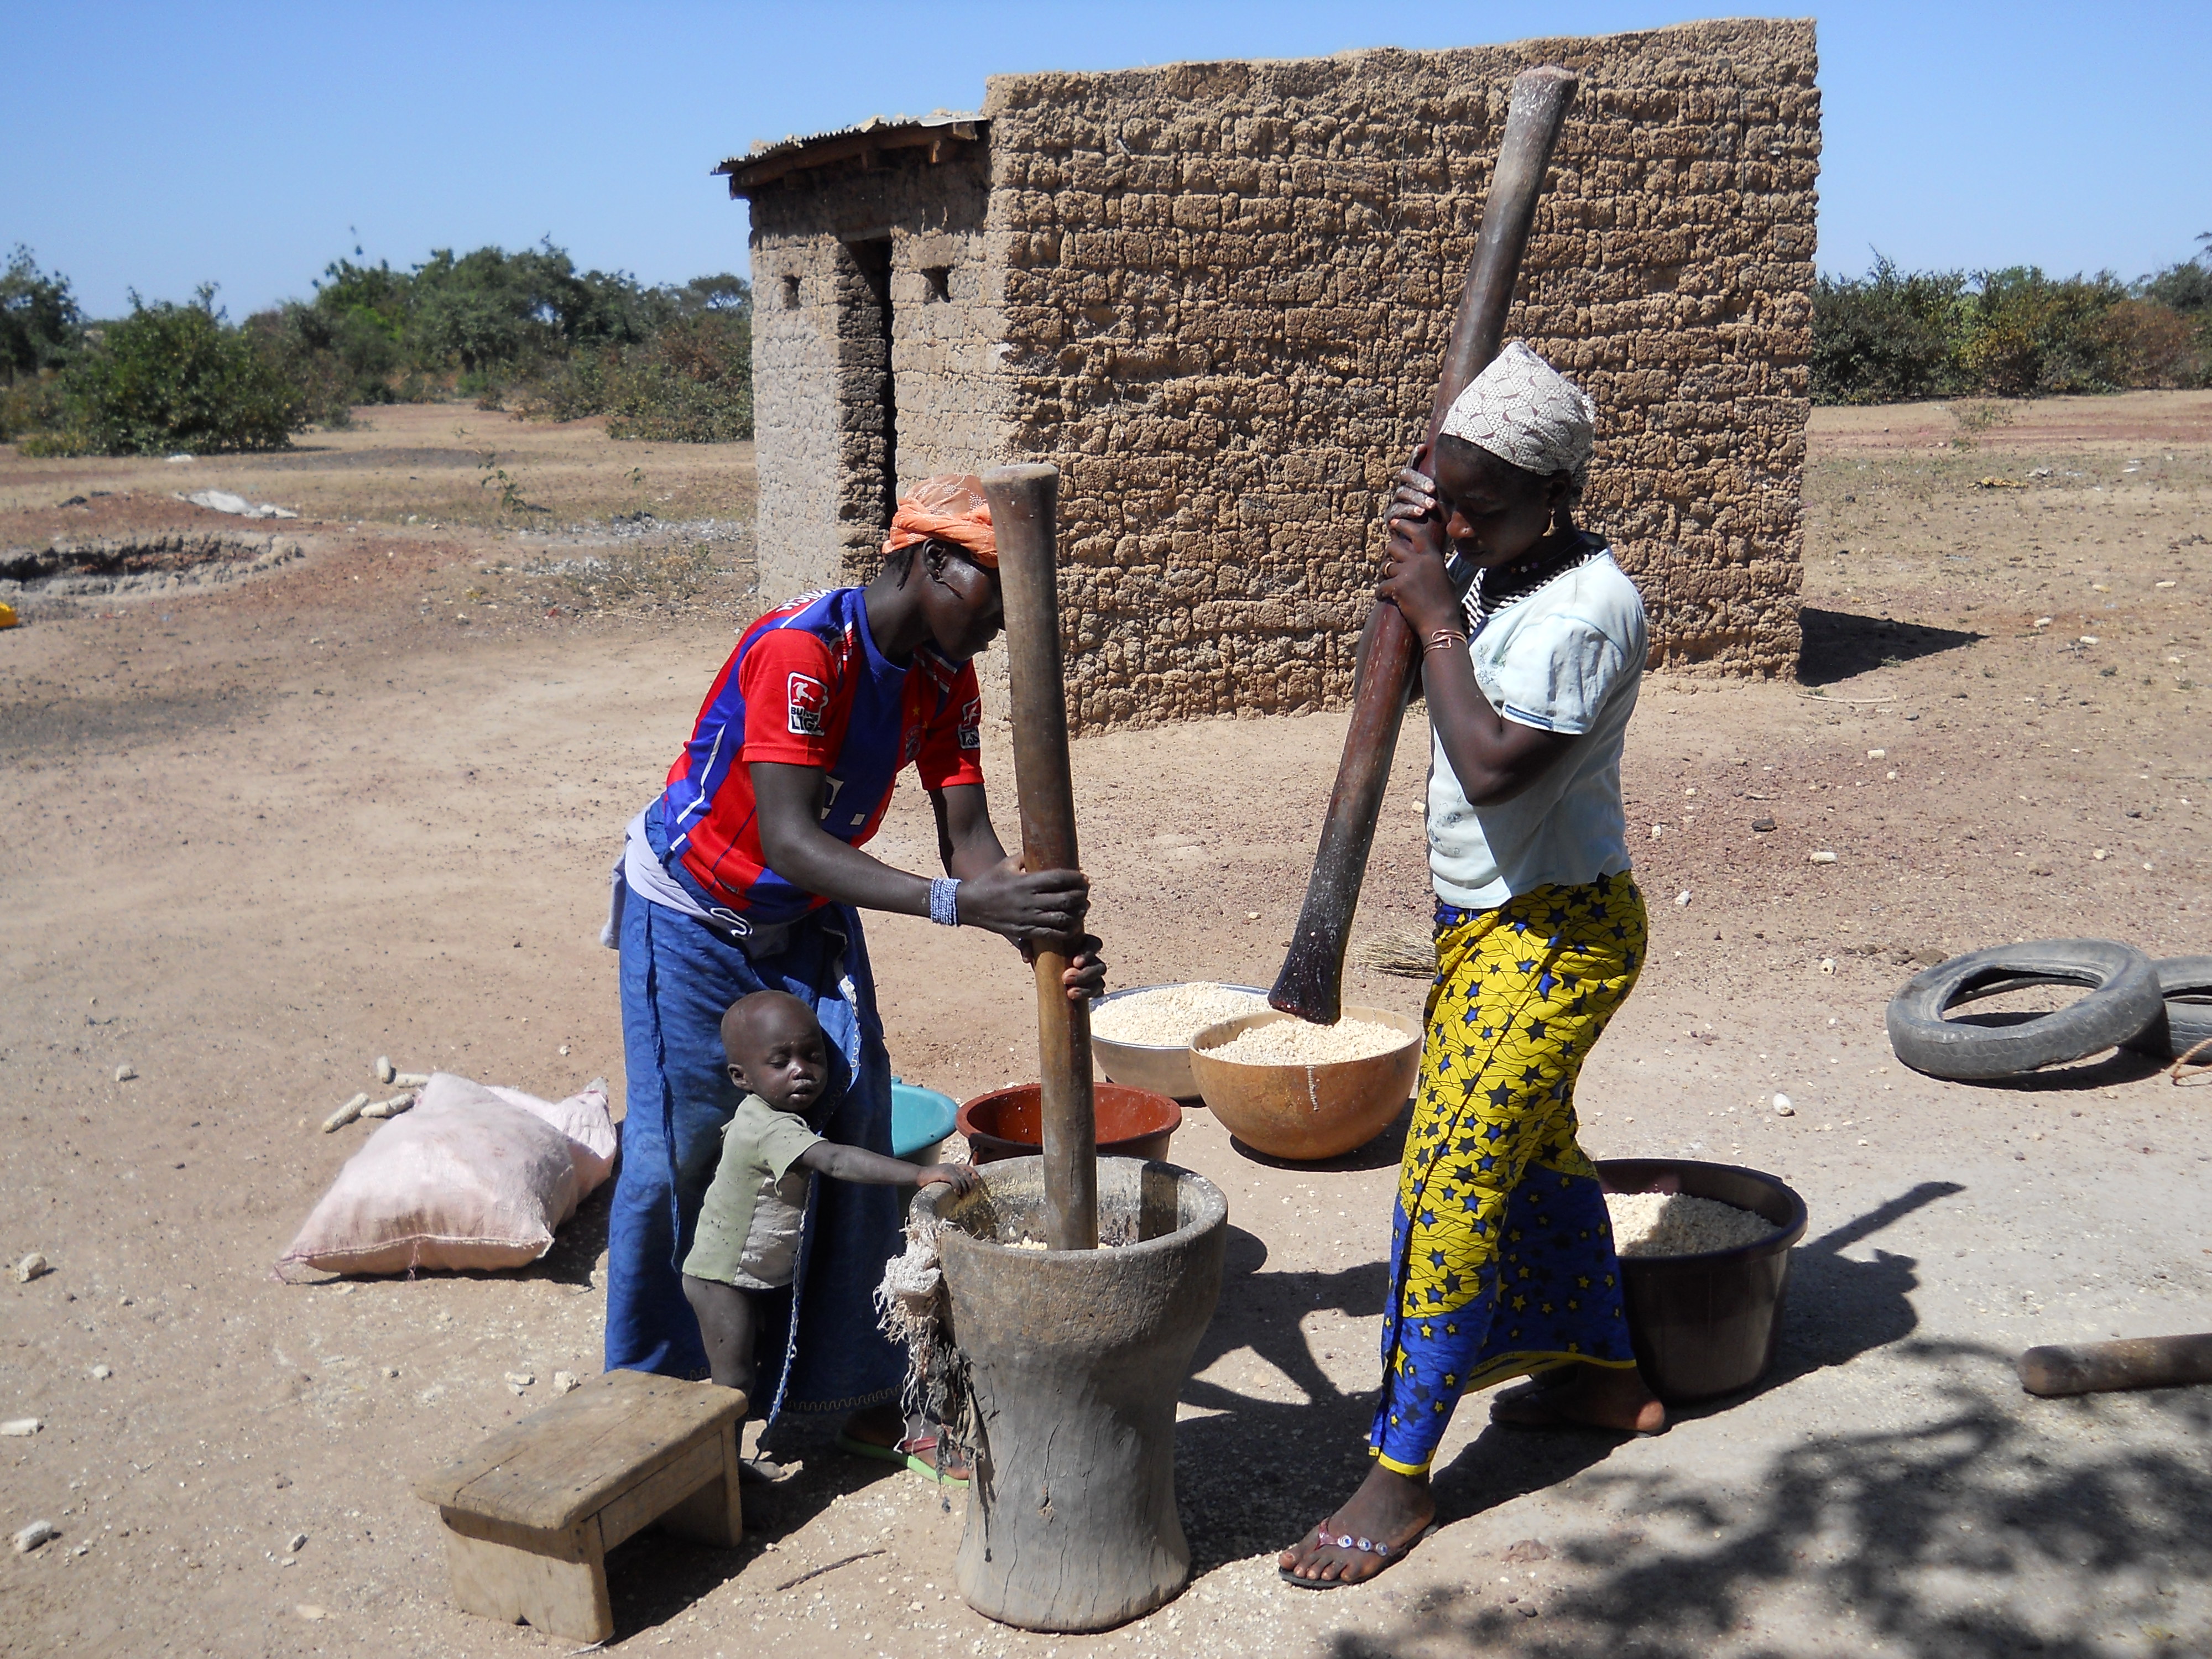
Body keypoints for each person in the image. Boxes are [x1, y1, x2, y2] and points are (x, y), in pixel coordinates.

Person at [603, 473, 1104, 1471]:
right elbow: (788, 838)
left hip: (801, 918)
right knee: (684, 1157)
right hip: (694, 912)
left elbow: (971, 844)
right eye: (993, 595)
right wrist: (963, 905)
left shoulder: (940, 676)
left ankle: (854, 1390)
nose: (1002, 625)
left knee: (853, 1119)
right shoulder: (803, 653)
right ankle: (653, 1402)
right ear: (927, 562)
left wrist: (1039, 933)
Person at [1279, 343, 1660, 1589]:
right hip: (1486, 933)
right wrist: (1425, 589)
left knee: (1442, 1185)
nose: (1452, 522)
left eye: (1475, 506)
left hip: (1553, 939)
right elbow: (1403, 698)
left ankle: (1397, 1478)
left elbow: (1494, 763)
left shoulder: (1584, 609)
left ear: (1555, 494)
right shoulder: (1497, 569)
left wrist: (1435, 608)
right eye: (1440, 496)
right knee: (1538, 1159)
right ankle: (1605, 1383)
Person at [682, 990, 979, 1412]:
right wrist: (919, 1174)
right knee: (733, 1381)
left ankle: (734, 1459)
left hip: (748, 1274)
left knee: (750, 1368)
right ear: (741, 1077)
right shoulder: (769, 1128)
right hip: (724, 1280)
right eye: (780, 1062)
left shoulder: (769, 1114)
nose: (802, 1071)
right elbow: (836, 1160)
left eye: (813, 1055)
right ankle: (721, 1470)